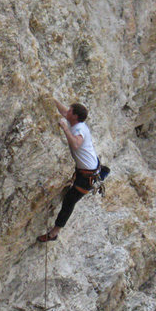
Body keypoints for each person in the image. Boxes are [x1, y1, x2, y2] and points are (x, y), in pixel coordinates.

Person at [37, 98, 104, 242]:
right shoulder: (78, 123)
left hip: (87, 176)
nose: (67, 112)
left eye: (70, 111)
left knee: (69, 201)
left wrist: (65, 128)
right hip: (89, 169)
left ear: (75, 116)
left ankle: (54, 233)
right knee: (69, 198)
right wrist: (51, 99)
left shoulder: (78, 129)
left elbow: (76, 144)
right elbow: (63, 111)